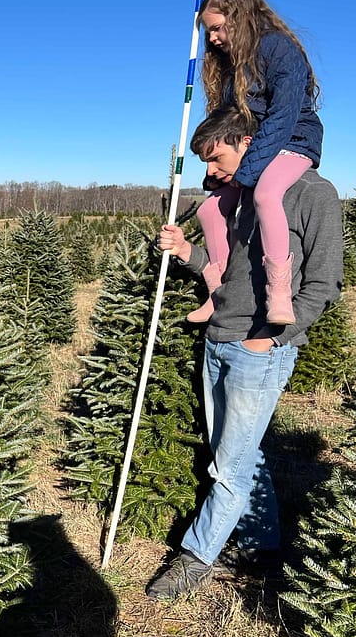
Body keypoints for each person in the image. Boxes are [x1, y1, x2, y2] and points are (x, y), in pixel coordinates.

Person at [146, 107, 342, 600]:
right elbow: (225, 271)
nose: (209, 172)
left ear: (249, 142)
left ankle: (194, 560)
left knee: (229, 465)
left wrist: (274, 338)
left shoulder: (313, 194)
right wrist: (185, 253)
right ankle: (263, 545)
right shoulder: (239, 198)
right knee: (235, 454)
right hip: (218, 338)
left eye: (216, 159)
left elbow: (324, 284)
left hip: (259, 351)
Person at [187, 0, 323, 328]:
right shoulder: (232, 67)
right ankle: (219, 293)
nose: (213, 38)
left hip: (293, 142)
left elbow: (283, 116)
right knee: (211, 211)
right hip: (254, 150)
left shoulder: (280, 50)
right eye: (208, 32)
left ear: (240, 16)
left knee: (264, 194)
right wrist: (217, 173)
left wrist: (247, 174)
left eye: (217, 28)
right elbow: (227, 126)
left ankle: (278, 293)